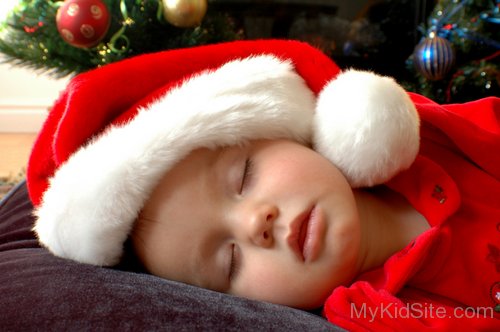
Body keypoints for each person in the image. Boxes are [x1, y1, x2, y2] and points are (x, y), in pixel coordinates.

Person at [27, 40, 499, 330]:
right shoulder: (373, 315)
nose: (257, 223)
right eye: (228, 261)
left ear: (291, 134)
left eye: (244, 176)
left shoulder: (441, 136)